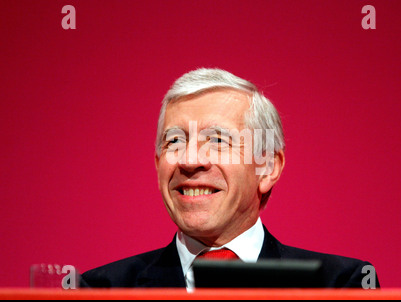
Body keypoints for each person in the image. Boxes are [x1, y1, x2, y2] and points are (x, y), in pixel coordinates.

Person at [80, 68, 379, 289]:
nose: (190, 160)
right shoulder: (99, 291)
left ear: (267, 167)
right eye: (174, 142)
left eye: (218, 141)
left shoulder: (339, 286)